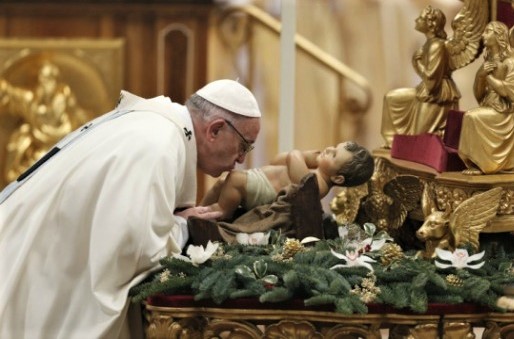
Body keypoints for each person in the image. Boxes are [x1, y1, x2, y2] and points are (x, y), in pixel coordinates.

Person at [0, 79, 261, 338]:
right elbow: (133, 248)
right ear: (214, 130)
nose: (241, 159)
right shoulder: (157, 144)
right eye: (244, 145)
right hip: (34, 273)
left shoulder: (156, 128)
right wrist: (184, 226)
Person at [200, 141, 375, 221]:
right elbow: (277, 160)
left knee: (234, 179)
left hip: (265, 192)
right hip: (260, 180)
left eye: (334, 154)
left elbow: (292, 157)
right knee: (222, 182)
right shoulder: (314, 171)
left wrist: (302, 155)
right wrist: (306, 158)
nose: (328, 149)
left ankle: (222, 212)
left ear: (338, 178)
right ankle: (200, 209)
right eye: (334, 147)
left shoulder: (316, 185)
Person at [380, 5, 461, 147]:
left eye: (421, 18)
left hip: (437, 97)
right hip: (426, 91)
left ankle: (432, 137)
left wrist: (417, 63)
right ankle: (393, 141)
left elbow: (431, 80)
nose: (417, 20)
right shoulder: (429, 44)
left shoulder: (437, 46)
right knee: (391, 98)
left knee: (419, 137)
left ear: (430, 25)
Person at [0, 61, 91, 182]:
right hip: (34, 155)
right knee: (20, 138)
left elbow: (83, 118)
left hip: (64, 152)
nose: (44, 83)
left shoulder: (65, 104)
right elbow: (13, 93)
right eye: (42, 79)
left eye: (48, 79)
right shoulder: (31, 101)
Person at [458, 21, 514, 175]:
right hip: (491, 106)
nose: (483, 35)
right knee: (472, 115)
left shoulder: (510, 62)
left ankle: (481, 165)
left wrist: (488, 76)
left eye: (488, 31)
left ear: (499, 37)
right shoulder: (488, 62)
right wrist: (480, 75)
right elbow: (479, 95)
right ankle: (477, 163)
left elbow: (508, 91)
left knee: (471, 116)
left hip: (506, 113)